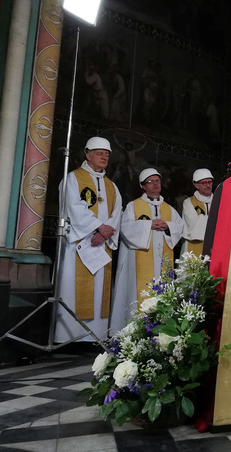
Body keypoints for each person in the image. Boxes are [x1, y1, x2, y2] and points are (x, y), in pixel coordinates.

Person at [55, 136, 122, 343]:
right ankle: (70, 336)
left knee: (99, 290)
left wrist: (104, 233)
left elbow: (117, 212)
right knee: (74, 289)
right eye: (100, 153)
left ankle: (96, 336)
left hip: (101, 245)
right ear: (88, 155)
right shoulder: (73, 178)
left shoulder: (112, 186)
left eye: (107, 154)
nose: (104, 157)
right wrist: (97, 227)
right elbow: (73, 207)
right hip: (79, 244)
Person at [110, 168, 183, 332]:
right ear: (143, 186)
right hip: (139, 263)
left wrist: (168, 226)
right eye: (151, 181)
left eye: (157, 181)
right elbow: (125, 228)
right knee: (138, 295)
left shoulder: (169, 209)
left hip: (162, 261)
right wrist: (148, 224)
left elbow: (180, 227)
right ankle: (135, 331)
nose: (156, 184)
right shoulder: (133, 206)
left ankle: (162, 330)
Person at [182, 168, 214, 257]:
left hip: (214, 246)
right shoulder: (188, 202)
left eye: (210, 182)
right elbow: (193, 224)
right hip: (193, 246)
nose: (208, 185)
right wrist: (214, 220)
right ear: (196, 185)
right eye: (204, 183)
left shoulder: (219, 201)